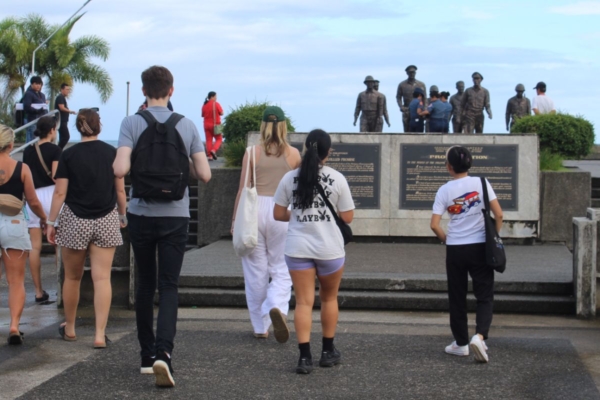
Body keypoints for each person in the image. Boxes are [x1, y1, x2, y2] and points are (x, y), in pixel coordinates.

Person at [114, 65, 211, 388]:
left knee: (144, 284)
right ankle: (163, 354)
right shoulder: (185, 125)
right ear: (171, 90)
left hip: (141, 213)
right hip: (175, 216)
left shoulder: (131, 123)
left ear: (144, 91)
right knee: (169, 286)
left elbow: (120, 168)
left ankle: (145, 356)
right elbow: (205, 175)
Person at [274, 129, 355, 374]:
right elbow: (348, 217)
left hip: (297, 248)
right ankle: (328, 352)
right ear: (328, 152)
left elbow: (278, 214)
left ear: (307, 149)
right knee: (329, 299)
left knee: (303, 302)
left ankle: (305, 358)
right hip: (329, 249)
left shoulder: (289, 178)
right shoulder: (337, 178)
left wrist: (298, 215)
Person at [46, 109, 127, 350]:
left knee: (72, 277)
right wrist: (122, 214)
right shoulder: (111, 153)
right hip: (106, 218)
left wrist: (51, 222)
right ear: (98, 126)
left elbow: (60, 192)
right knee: (102, 278)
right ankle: (100, 335)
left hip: (74, 219)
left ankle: (70, 328)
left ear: (79, 128)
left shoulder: (68, 155)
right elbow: (120, 190)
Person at [232, 106, 301, 342]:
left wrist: (234, 221)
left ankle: (260, 327)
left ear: (263, 125)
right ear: (283, 126)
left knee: (255, 271)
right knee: (282, 269)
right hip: (282, 211)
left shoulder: (252, 153)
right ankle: (276, 308)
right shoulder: (294, 155)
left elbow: (243, 189)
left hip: (254, 211)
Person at [430, 146, 503, 364]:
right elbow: (498, 214)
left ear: (449, 167)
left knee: (457, 295)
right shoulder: (482, 182)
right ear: (470, 164)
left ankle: (461, 344)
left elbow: (434, 225)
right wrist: (493, 238)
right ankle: (479, 336)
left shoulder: (444, 190)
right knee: (484, 294)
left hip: (455, 249)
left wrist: (447, 239)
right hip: (480, 246)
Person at [0, 124, 47, 345]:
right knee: (16, 281)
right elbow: (33, 201)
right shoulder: (22, 168)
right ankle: (14, 327)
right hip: (15, 222)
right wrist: (46, 220)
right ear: (11, 145)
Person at [23, 116, 62, 303]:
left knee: (34, 247)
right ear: (52, 130)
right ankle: (61, 288)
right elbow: (56, 176)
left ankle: (38, 291)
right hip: (52, 196)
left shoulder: (28, 151)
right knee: (58, 245)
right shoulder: (56, 150)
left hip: (32, 197)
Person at [396, 65, 427, 132]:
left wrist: (424, 109)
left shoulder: (421, 84)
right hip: (407, 110)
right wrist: (401, 107)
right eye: (410, 72)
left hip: (418, 110)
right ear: (407, 73)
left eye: (413, 72)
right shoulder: (402, 85)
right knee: (407, 129)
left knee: (419, 130)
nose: (412, 74)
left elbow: (425, 98)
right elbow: (398, 97)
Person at [22, 76, 48, 143]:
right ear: (32, 84)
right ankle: (28, 152)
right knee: (31, 139)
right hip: (32, 119)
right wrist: (37, 110)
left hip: (40, 120)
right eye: (36, 84)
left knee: (37, 139)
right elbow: (27, 107)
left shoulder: (42, 95)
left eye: (39, 84)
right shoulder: (29, 94)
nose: (38, 86)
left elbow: (44, 107)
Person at [201, 91, 224, 161]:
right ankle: (214, 150)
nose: (216, 98)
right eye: (215, 96)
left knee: (208, 140)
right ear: (212, 97)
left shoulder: (204, 105)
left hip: (206, 125)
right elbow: (222, 113)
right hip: (216, 124)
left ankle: (209, 156)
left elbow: (202, 115)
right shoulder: (216, 104)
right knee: (219, 139)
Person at [54, 83, 77, 149]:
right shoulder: (60, 97)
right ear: (62, 89)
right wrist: (70, 111)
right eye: (66, 89)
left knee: (62, 137)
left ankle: (59, 151)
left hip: (64, 121)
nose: (68, 91)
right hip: (61, 121)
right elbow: (61, 108)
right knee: (66, 136)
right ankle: (58, 150)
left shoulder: (62, 98)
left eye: (68, 89)